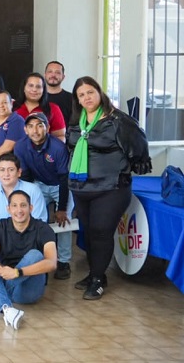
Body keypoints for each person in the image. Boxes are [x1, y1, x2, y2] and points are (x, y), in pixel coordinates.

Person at [66, 76, 151, 300]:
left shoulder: (118, 120)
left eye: (90, 92)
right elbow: (70, 149)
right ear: (77, 99)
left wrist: (125, 168)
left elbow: (139, 147)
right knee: (88, 233)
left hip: (111, 189)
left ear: (99, 92)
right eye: (81, 95)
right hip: (81, 188)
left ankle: (97, 280)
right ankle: (96, 274)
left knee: (101, 232)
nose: (86, 97)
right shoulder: (76, 121)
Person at [0, 190, 57, 330]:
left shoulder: (43, 228)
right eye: (14, 206)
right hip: (7, 282)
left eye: (23, 205)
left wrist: (17, 272)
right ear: (8, 209)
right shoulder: (0, 225)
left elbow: (52, 263)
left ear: (31, 208)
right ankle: (7, 309)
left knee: (35, 255)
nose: (19, 210)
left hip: (28, 291)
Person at [15, 112, 73, 280]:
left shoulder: (58, 147)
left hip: (60, 185)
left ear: (47, 128)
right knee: (32, 217)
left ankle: (63, 262)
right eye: (31, 126)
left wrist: (61, 208)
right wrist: (27, 201)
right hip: (38, 184)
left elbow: (64, 178)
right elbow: (25, 177)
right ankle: (37, 256)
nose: (35, 130)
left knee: (64, 220)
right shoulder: (20, 146)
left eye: (40, 126)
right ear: (25, 130)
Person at [0, 154, 48, 256]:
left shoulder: (32, 190)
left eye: (11, 170)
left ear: (19, 172)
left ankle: (16, 267)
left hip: (25, 234)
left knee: (33, 253)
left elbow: (40, 220)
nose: (6, 174)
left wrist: (16, 239)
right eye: (2, 170)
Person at [0, 92, 26, 183]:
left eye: (4, 102)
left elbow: (8, 147)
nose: (1, 106)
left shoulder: (17, 121)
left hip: (10, 172)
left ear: (11, 103)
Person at [14, 72, 66, 141]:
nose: (34, 90)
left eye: (38, 87)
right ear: (24, 88)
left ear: (43, 90)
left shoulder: (53, 108)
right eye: (31, 86)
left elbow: (60, 136)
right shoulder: (12, 106)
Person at [44, 60, 73, 126]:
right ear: (45, 75)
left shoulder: (72, 99)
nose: (53, 75)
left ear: (63, 77)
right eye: (50, 71)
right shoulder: (37, 97)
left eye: (57, 72)